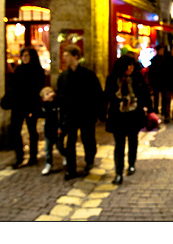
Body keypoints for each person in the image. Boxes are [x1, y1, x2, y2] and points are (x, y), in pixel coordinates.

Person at [57, 44, 106, 180]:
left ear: (75, 57)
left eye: (67, 56)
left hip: (86, 114)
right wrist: (61, 119)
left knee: (88, 139)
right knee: (70, 142)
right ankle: (71, 169)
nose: (64, 58)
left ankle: (89, 160)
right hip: (70, 115)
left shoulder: (88, 74)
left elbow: (97, 94)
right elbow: (61, 98)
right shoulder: (63, 77)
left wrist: (99, 114)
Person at [104, 55, 153, 185]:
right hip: (118, 116)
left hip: (133, 115)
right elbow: (107, 97)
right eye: (128, 65)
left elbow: (145, 94)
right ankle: (118, 173)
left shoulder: (137, 77)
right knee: (119, 145)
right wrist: (103, 114)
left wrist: (149, 109)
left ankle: (131, 163)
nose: (130, 68)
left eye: (132, 65)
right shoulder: (113, 79)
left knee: (133, 140)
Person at [8, 47, 46, 169]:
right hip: (18, 105)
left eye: (27, 56)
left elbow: (37, 89)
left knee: (32, 131)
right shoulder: (19, 70)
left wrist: (33, 106)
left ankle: (33, 156)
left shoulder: (38, 71)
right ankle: (19, 156)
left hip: (31, 106)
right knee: (15, 130)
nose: (24, 58)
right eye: (23, 56)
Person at [39, 86, 66, 175]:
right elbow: (43, 115)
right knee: (48, 149)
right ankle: (48, 164)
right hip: (48, 130)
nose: (50, 94)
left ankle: (66, 156)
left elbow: (59, 117)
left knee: (60, 147)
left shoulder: (57, 104)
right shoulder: (45, 106)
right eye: (47, 94)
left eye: (51, 92)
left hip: (57, 130)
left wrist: (60, 127)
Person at [148, 44, 167, 115]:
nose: (162, 51)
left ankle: (163, 110)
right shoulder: (154, 60)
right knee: (156, 97)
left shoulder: (165, 59)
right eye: (161, 50)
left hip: (163, 81)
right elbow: (151, 72)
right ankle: (156, 110)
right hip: (156, 81)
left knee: (164, 97)